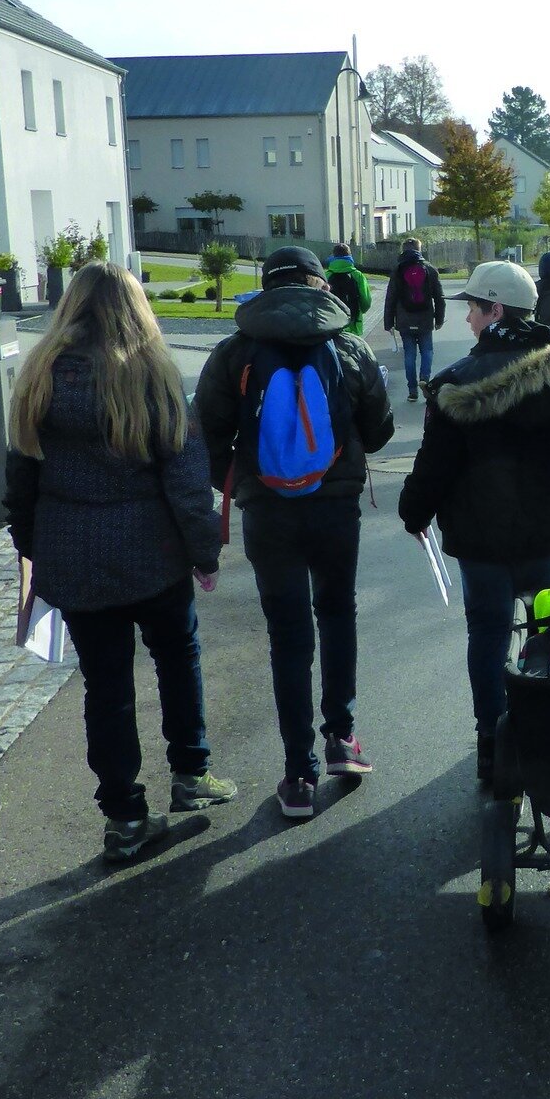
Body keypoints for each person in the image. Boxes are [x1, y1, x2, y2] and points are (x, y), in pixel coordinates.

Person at [5, 260, 234, 863]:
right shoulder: (153, 377)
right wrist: (203, 553)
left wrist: (31, 549)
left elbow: (20, 475)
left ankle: (125, 816)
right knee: (177, 658)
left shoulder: (38, 376)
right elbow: (187, 484)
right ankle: (191, 773)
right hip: (152, 553)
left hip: (74, 554)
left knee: (106, 689)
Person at [397, 259, 550, 782]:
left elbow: (434, 466)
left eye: (473, 309)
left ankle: (492, 742)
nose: (466, 319)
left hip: (478, 540)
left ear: (495, 309)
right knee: (543, 626)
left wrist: (413, 513)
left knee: (486, 634)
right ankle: (544, 726)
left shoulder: (455, 383)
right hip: (541, 535)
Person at [196, 244, 393, 819]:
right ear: (316, 285)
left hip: (268, 515)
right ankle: (342, 739)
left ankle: (298, 774)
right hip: (335, 509)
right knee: (337, 614)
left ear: (266, 286)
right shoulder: (348, 346)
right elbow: (378, 432)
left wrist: (247, 479)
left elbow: (206, 436)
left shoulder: (235, 353)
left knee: (288, 635)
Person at [382, 235, 447, 400]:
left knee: (409, 354)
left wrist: (388, 322)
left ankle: (412, 391)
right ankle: (424, 379)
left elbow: (390, 298)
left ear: (403, 250)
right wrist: (439, 319)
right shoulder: (430, 270)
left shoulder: (397, 270)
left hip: (404, 320)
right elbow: (439, 297)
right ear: (419, 249)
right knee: (427, 351)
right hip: (425, 318)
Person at [325, 242, 372, 337]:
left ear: (333, 256)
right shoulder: (357, 275)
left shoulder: (326, 275)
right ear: (349, 255)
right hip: (353, 323)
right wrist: (360, 311)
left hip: (331, 323)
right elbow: (366, 300)